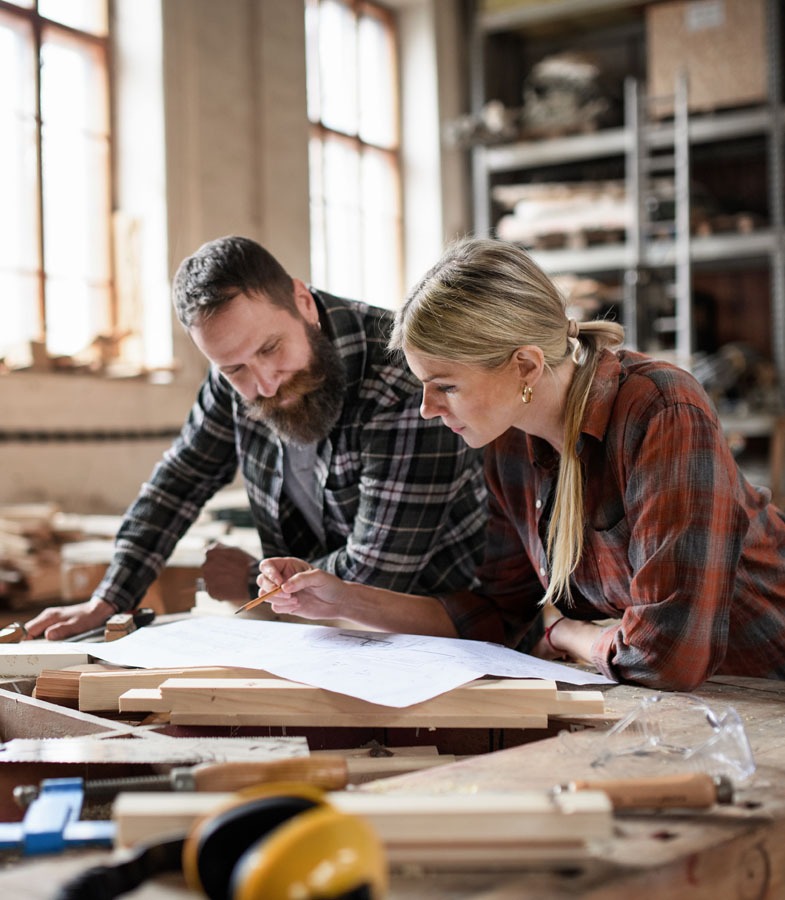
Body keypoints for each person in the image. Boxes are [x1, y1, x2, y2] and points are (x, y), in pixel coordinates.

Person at [250, 237, 785, 691]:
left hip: (765, 684)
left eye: (447, 386)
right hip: (692, 696)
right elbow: (498, 614)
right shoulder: (508, 444)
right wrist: (340, 597)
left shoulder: (661, 410)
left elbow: (669, 656)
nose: (426, 408)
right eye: (422, 385)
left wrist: (567, 634)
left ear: (525, 365)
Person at [26, 236, 487, 640]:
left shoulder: (402, 378)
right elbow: (178, 483)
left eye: (271, 348)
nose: (265, 384)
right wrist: (110, 598)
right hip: (320, 629)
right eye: (235, 369)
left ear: (303, 302)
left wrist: (251, 584)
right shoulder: (233, 378)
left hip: (447, 633)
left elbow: (375, 578)